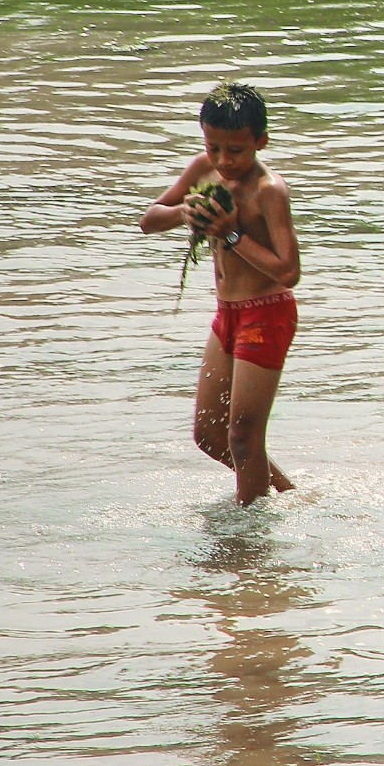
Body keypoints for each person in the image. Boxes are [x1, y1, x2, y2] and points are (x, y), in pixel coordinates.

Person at [140, 82, 302, 505]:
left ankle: (248, 542)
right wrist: (184, 211)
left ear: (260, 142)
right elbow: (149, 219)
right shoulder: (202, 170)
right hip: (226, 315)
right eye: (214, 148)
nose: (224, 160)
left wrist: (229, 236)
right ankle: (285, 493)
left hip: (267, 314)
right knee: (210, 435)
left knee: (244, 435)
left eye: (236, 150)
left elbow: (288, 272)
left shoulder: (269, 191)